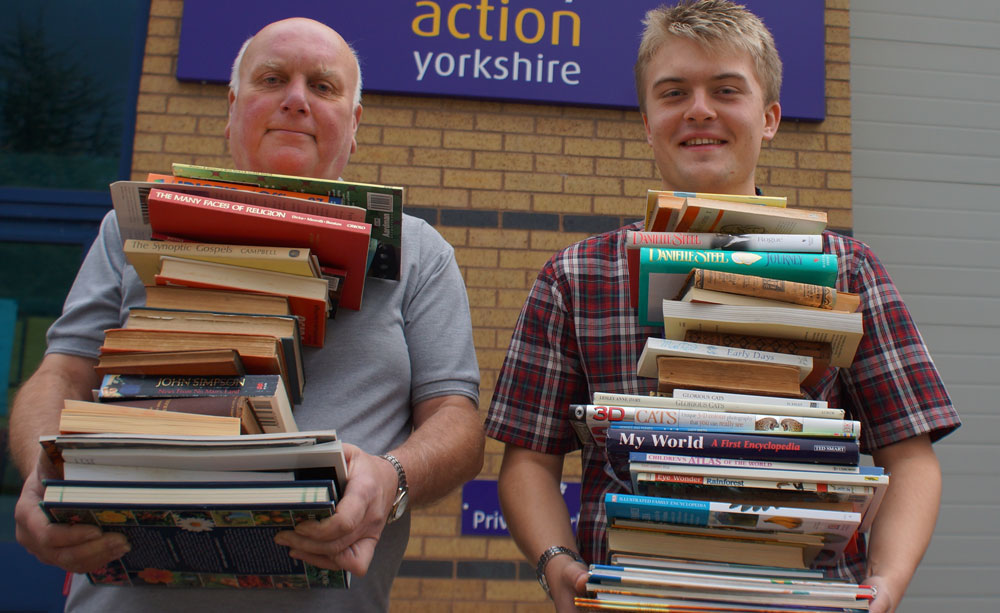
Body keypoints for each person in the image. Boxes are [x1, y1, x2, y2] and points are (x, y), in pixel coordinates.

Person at [484, 2, 960, 612]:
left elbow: (910, 457)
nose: (699, 109)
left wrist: (887, 585)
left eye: (726, 90)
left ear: (769, 118)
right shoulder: (575, 278)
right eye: (673, 91)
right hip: (634, 601)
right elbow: (527, 459)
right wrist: (557, 562)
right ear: (647, 120)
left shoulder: (849, 269)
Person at [10, 17, 484, 613]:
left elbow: (459, 425)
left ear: (354, 124)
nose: (296, 100)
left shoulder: (421, 254)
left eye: (324, 86)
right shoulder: (127, 233)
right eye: (272, 78)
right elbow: (60, 373)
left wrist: (393, 476)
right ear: (232, 107)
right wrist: (38, 472)